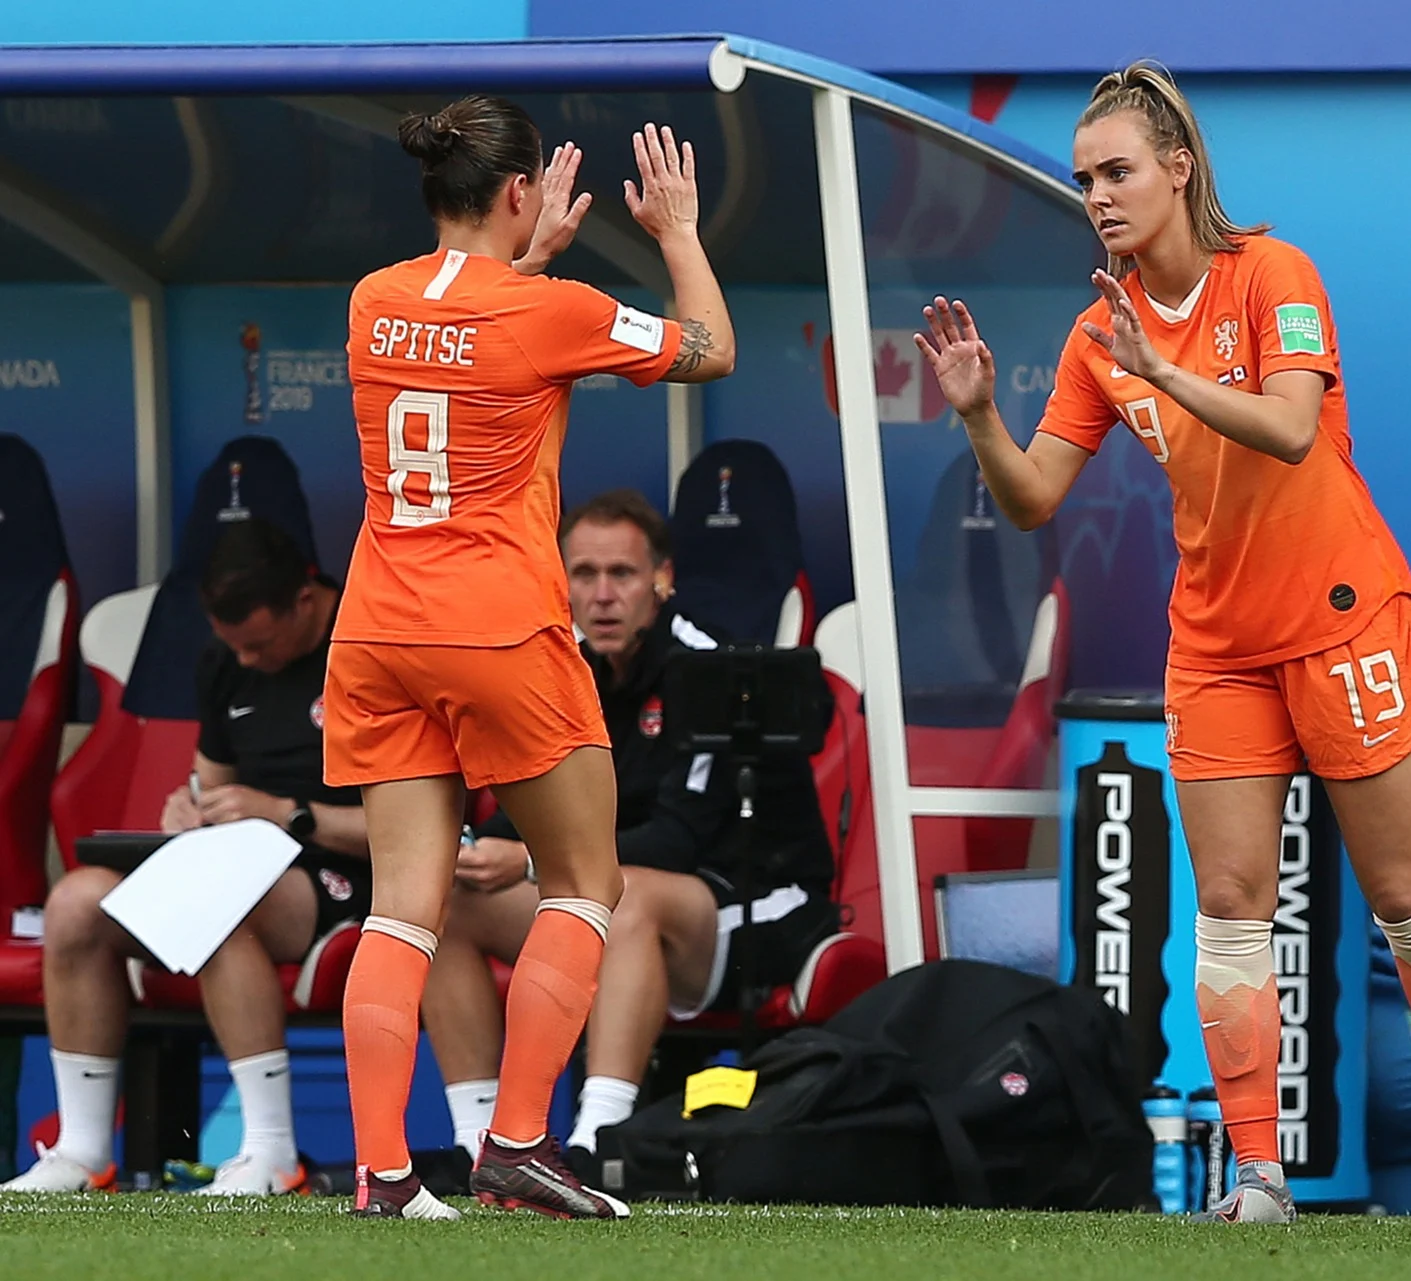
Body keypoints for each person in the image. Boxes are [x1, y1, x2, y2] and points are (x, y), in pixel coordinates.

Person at [913, 61, 1411, 1226]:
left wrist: (1167, 372)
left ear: (1179, 169)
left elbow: (1293, 428)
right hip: (1218, 644)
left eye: (1118, 170)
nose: (1096, 193)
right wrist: (980, 410)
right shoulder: (1100, 334)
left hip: (1344, 620)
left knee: (1407, 902)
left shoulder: (1271, 273)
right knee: (1231, 909)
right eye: (1085, 176)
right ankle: (1256, 1179)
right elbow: (1034, 497)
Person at [328, 94, 734, 1220]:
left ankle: (382, 1175)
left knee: (400, 907)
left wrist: (527, 254)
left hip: (375, 629)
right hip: (499, 628)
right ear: (519, 192)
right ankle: (514, 1143)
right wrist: (677, 235)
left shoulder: (374, 300)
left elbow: (468, 335)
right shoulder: (552, 309)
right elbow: (711, 349)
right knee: (586, 881)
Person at [422, 490, 835, 1169]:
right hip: (626, 897)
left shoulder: (705, 668)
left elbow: (674, 842)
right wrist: (476, 853)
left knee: (626, 896)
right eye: (584, 574)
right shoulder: (561, 667)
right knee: (446, 905)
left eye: (623, 574)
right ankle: (482, 1145)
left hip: (759, 906)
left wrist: (524, 862)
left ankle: (595, 1143)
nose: (603, 594)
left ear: (662, 580)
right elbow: (524, 810)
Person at [4, 519, 369, 1196]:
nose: (248, 659)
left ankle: (271, 1151)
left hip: (344, 867)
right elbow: (209, 777)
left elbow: (419, 824)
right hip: (235, 861)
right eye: (235, 646)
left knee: (218, 908)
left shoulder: (370, 646)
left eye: (259, 644)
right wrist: (190, 805)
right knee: (76, 902)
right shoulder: (225, 660)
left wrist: (286, 814)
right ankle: (82, 1151)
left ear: (306, 601)